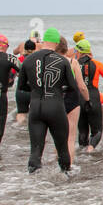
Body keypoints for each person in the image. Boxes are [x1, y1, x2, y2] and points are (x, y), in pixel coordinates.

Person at [19, 27, 75, 174]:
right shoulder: (63, 61)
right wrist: (59, 90)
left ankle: (33, 184)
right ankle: (67, 180)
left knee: (35, 150)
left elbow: (22, 87)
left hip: (36, 106)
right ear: (56, 43)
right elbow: (72, 87)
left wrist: (36, 88)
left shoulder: (28, 60)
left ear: (44, 41)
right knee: (62, 148)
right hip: (55, 106)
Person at [75, 39, 103, 151]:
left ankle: (82, 155)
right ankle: (90, 150)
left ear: (79, 52)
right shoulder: (97, 64)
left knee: (82, 131)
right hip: (93, 97)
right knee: (97, 131)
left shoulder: (74, 65)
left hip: (79, 99)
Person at [56, 38, 90, 165]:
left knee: (58, 136)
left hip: (56, 98)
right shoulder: (73, 62)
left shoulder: (51, 62)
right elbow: (81, 86)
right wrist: (87, 99)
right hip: (71, 99)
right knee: (70, 137)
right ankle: (68, 166)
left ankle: (58, 161)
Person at [15, 38, 36, 125]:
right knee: (35, 113)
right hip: (33, 90)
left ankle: (18, 127)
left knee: (21, 113)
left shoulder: (19, 59)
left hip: (21, 90)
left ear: (25, 49)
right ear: (35, 49)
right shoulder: (37, 59)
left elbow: (13, 75)